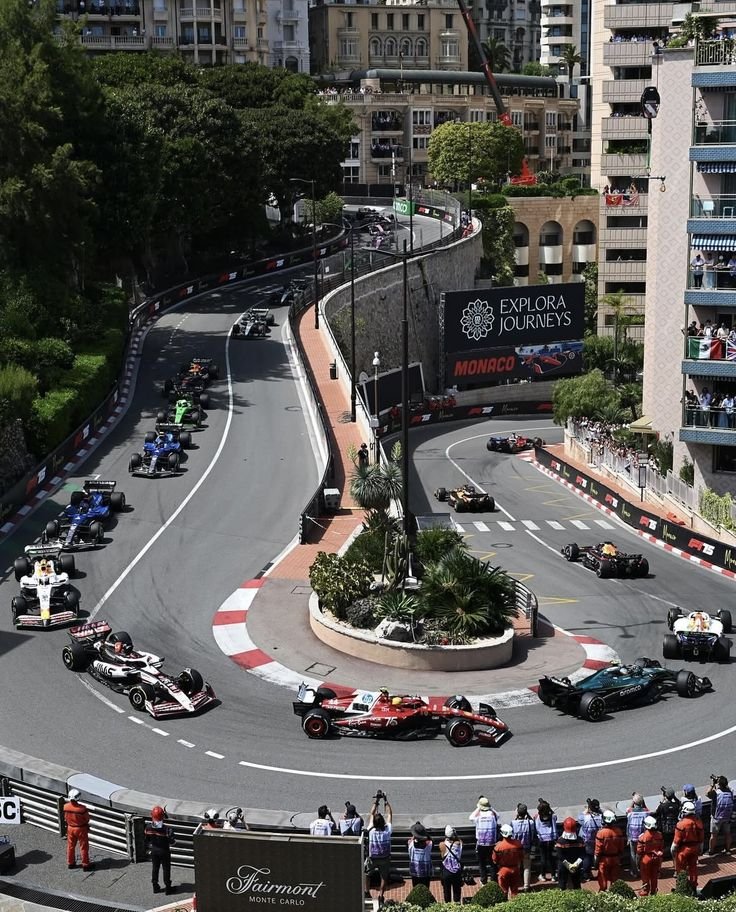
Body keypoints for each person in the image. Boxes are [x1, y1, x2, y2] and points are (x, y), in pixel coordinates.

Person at [366, 793, 393, 903]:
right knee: (384, 876)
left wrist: (376, 800)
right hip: (384, 857)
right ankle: (381, 894)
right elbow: (390, 814)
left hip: (373, 857)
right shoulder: (387, 831)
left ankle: (367, 891)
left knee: (367, 873)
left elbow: (372, 813)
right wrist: (386, 800)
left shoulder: (371, 831)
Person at [673, 800, 704, 892]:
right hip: (695, 848)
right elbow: (701, 839)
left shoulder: (681, 824)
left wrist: (673, 850)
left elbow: (676, 842)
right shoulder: (698, 822)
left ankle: (682, 887)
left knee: (681, 869)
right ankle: (693, 886)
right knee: (693, 868)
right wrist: (700, 849)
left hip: (683, 850)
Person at [145, 805, 175, 895]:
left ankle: (155, 886)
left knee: (155, 868)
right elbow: (172, 842)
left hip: (154, 850)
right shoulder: (167, 829)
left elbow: (147, 839)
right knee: (166, 869)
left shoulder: (148, 827)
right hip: (164, 851)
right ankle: (168, 888)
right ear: (163, 816)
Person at [594, 809, 626, 891]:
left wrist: (596, 861)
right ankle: (614, 893)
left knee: (602, 878)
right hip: (615, 858)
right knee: (614, 879)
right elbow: (621, 846)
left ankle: (603, 892)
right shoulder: (618, 831)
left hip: (604, 859)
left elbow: (598, 849)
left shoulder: (601, 833)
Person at [469, 796, 498, 884]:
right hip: (492, 843)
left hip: (481, 844)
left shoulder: (478, 816)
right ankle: (493, 880)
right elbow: (498, 815)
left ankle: (483, 880)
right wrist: (490, 807)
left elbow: (470, 817)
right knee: (492, 863)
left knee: (482, 863)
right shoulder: (493, 815)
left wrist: (478, 808)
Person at [64, 789, 93, 871]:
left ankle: (71, 863)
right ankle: (85, 864)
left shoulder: (65, 807)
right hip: (81, 829)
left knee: (70, 846)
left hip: (70, 828)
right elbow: (87, 819)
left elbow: (65, 817)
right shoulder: (82, 809)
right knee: (83, 847)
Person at [493, 823, 523, 899]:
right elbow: (522, 856)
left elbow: (495, 860)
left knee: (503, 891)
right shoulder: (518, 844)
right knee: (514, 891)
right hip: (515, 869)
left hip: (503, 870)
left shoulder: (498, 847)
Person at [637, 815, 664, 896]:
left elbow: (639, 851)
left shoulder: (642, 837)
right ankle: (654, 891)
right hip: (656, 858)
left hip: (646, 858)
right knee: (654, 876)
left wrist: (638, 862)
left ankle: (645, 891)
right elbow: (661, 847)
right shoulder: (659, 835)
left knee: (645, 876)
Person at [555, 817, 585, 890]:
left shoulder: (560, 841)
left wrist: (568, 865)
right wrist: (576, 864)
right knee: (576, 884)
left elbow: (560, 855)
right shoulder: (580, 840)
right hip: (576, 866)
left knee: (562, 884)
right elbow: (583, 854)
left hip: (563, 865)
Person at [511, 802, 535, 891]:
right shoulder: (530, 823)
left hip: (516, 849)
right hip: (527, 848)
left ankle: (516, 885)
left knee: (516, 867)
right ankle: (526, 886)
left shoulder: (513, 823)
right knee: (527, 867)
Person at [706, 775, 733, 855]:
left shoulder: (716, 793)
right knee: (728, 833)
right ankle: (728, 850)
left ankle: (711, 851)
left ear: (719, 784)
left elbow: (707, 794)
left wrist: (712, 784)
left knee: (713, 835)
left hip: (716, 818)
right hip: (727, 817)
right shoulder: (730, 791)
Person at [578, 797, 603, 880]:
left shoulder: (586, 818)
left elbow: (579, 818)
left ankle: (586, 874)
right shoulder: (601, 817)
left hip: (587, 841)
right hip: (599, 840)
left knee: (587, 857)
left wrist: (586, 811)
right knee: (598, 856)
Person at [534, 799, 558, 882]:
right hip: (551, 839)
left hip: (542, 839)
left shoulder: (537, 816)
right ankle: (553, 875)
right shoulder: (552, 816)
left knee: (543, 858)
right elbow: (555, 816)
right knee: (551, 857)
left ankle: (543, 875)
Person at [626, 793, 649, 875]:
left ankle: (634, 871)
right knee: (642, 853)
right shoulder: (645, 812)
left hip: (632, 836)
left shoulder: (630, 812)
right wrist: (643, 802)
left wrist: (633, 801)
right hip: (643, 836)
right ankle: (641, 868)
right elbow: (647, 810)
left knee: (633, 854)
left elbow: (628, 809)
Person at [439, 825, 463, 903]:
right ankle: (457, 905)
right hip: (457, 871)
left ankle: (448, 906)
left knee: (446, 891)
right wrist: (455, 834)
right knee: (457, 890)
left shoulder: (442, 844)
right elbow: (458, 839)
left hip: (446, 871)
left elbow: (442, 855)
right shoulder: (459, 843)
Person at [656, 787, 681, 857]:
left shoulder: (662, 806)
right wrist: (673, 796)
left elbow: (657, 812)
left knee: (663, 846)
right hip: (675, 829)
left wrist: (663, 798)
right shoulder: (676, 805)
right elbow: (679, 803)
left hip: (665, 830)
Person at [407, 822, 433, 887]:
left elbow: (411, 840)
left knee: (415, 887)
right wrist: (424, 834)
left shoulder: (410, 843)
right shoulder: (429, 844)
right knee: (426, 888)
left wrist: (414, 836)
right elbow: (430, 839)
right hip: (425, 872)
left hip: (415, 871)